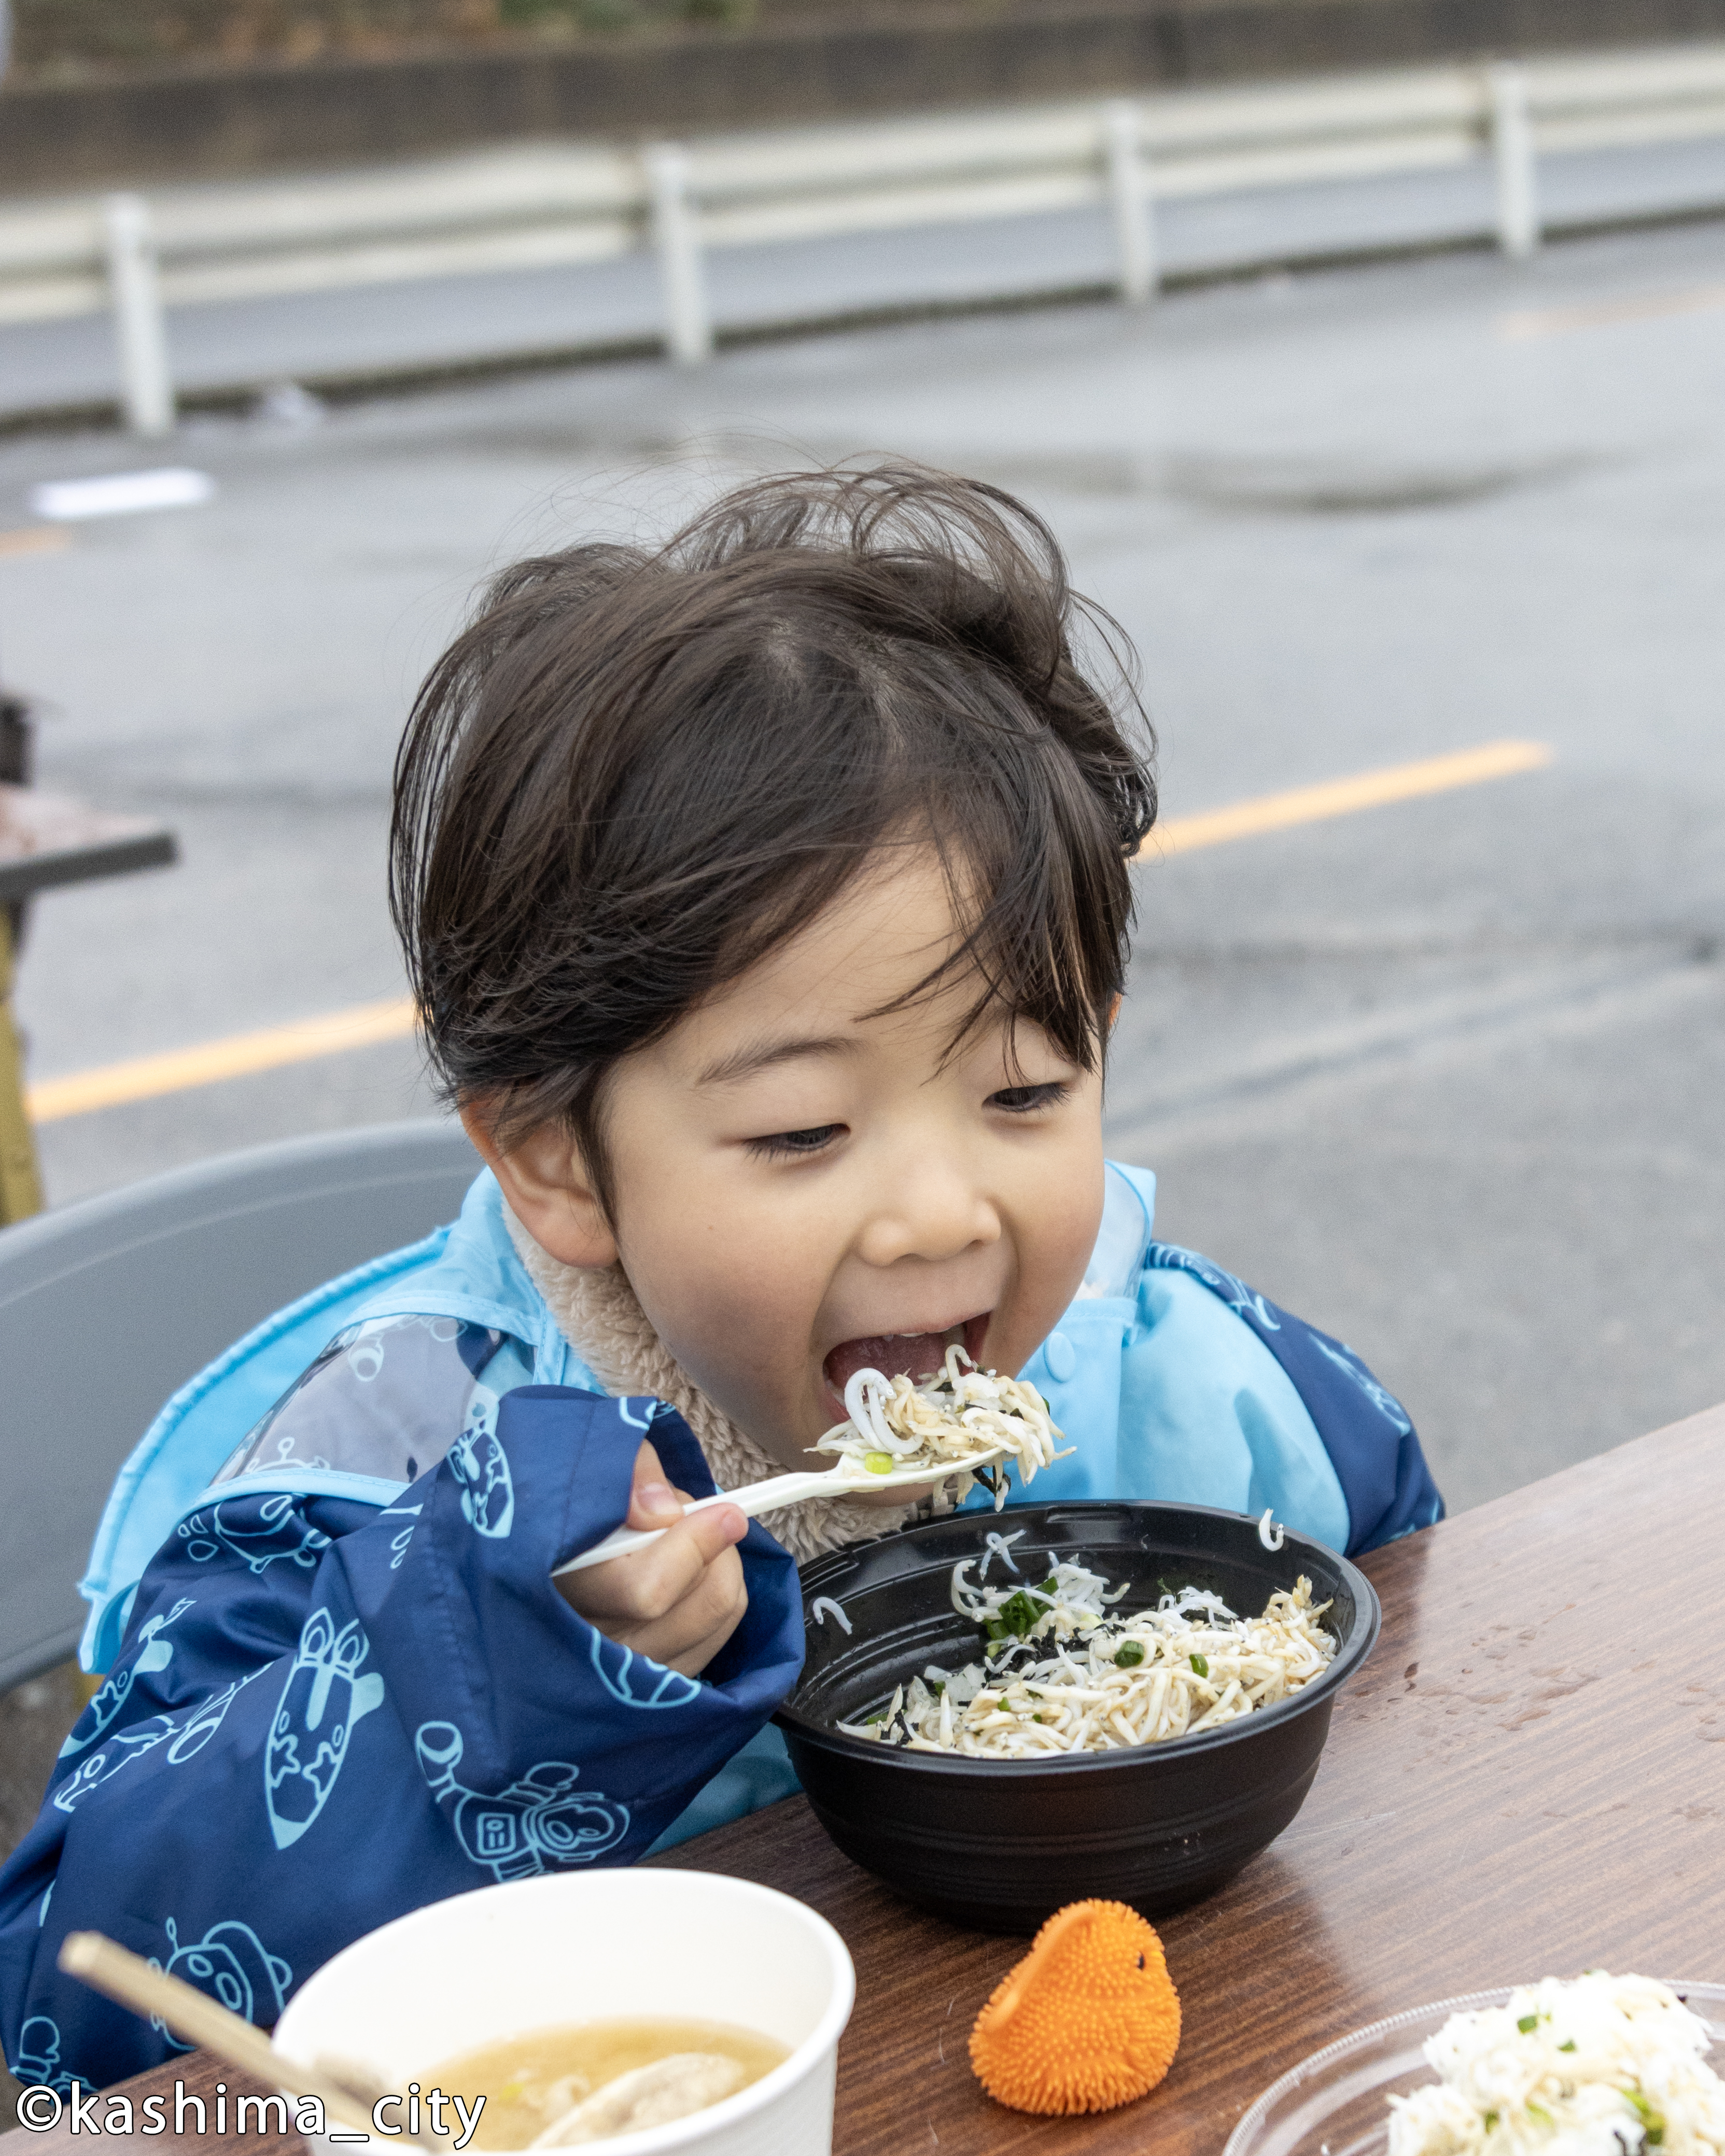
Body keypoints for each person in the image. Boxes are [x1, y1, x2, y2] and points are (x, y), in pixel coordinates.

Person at [0, 464, 1441, 2094]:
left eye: (1027, 1094)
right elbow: (79, 2003)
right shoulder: (393, 1446)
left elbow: (1431, 1609)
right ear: (554, 1160)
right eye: (804, 1128)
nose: (936, 1213)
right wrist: (512, 1657)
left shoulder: (1164, 1360)